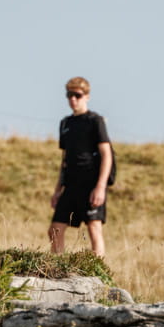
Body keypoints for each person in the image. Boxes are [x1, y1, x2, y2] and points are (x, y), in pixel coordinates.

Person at [50, 76, 112, 257]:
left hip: (91, 183)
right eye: (69, 95)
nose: (73, 100)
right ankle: (56, 270)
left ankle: (98, 274)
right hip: (70, 185)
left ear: (87, 96)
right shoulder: (65, 123)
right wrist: (57, 190)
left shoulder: (95, 121)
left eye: (77, 95)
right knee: (55, 229)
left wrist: (100, 187)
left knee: (94, 228)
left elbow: (106, 155)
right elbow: (65, 159)